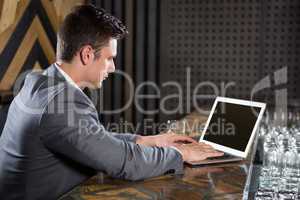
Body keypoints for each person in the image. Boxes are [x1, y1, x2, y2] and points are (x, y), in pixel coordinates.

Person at [0, 5, 223, 200]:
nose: (113, 68)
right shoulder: (62, 103)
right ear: (87, 54)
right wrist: (180, 154)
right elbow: (124, 163)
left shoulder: (39, 81)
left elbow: (94, 139)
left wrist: (148, 140)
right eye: (109, 58)